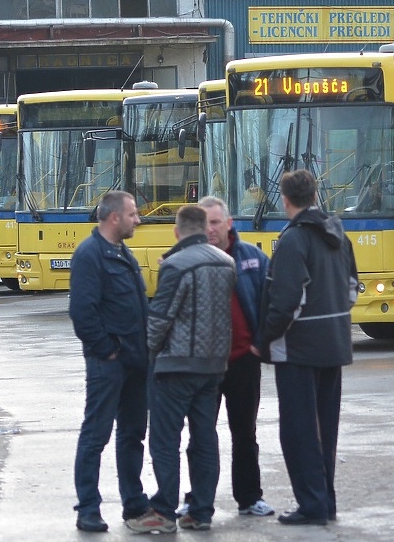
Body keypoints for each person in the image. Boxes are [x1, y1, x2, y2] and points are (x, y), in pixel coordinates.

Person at [256, 169, 358, 526]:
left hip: (298, 350)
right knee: (325, 430)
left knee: (299, 431)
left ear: (284, 200)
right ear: (315, 195)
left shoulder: (292, 241)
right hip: (334, 345)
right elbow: (351, 291)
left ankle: (312, 505)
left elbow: (286, 303)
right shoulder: (338, 236)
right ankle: (325, 502)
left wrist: (263, 339)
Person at [127, 204, 236, 533]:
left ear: (177, 231)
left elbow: (160, 319)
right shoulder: (226, 263)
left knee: (165, 441)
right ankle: (201, 511)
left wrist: (147, 352)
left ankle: (163, 511)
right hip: (213, 366)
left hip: (175, 366)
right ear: (205, 229)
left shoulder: (175, 265)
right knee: (205, 439)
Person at [68, 190, 150, 533]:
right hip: (109, 363)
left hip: (135, 361)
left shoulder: (123, 253)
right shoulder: (90, 255)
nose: (138, 219)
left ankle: (134, 504)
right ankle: (88, 508)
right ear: (114, 217)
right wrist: (106, 349)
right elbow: (82, 312)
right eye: (133, 214)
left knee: (132, 435)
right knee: (96, 435)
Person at [196, 195, 274, 518]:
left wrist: (260, 344)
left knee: (245, 433)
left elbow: (271, 304)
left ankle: (249, 497)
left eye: (215, 222)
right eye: (204, 224)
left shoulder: (253, 259)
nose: (210, 229)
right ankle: (199, 500)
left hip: (244, 360)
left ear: (229, 224)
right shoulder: (189, 260)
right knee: (202, 435)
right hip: (204, 365)